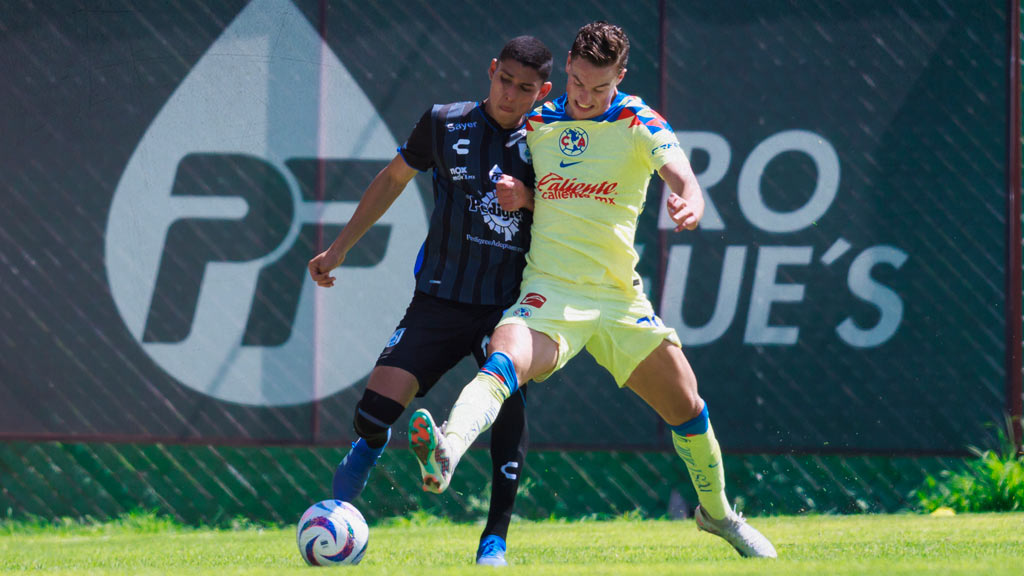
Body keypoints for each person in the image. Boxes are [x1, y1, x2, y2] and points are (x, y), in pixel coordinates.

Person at [407, 21, 777, 559]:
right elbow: (520, 171)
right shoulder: (537, 120)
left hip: (619, 300)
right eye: (578, 83)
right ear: (569, 73)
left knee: (688, 408)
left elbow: (681, 174)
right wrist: (523, 196)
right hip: (549, 292)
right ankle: (447, 448)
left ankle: (719, 517)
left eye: (599, 88)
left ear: (619, 79)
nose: (585, 97)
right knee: (502, 360)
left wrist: (690, 199)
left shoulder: (636, 120)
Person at [307, 36, 553, 566]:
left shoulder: (551, 140)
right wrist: (338, 249)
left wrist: (531, 198)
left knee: (507, 403)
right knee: (371, 415)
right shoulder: (445, 122)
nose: (511, 94)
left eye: (525, 88)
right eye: (504, 79)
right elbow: (393, 179)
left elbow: (576, 217)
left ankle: (495, 540)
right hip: (438, 300)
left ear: (543, 91)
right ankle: (370, 448)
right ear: (491, 70)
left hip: (508, 308)